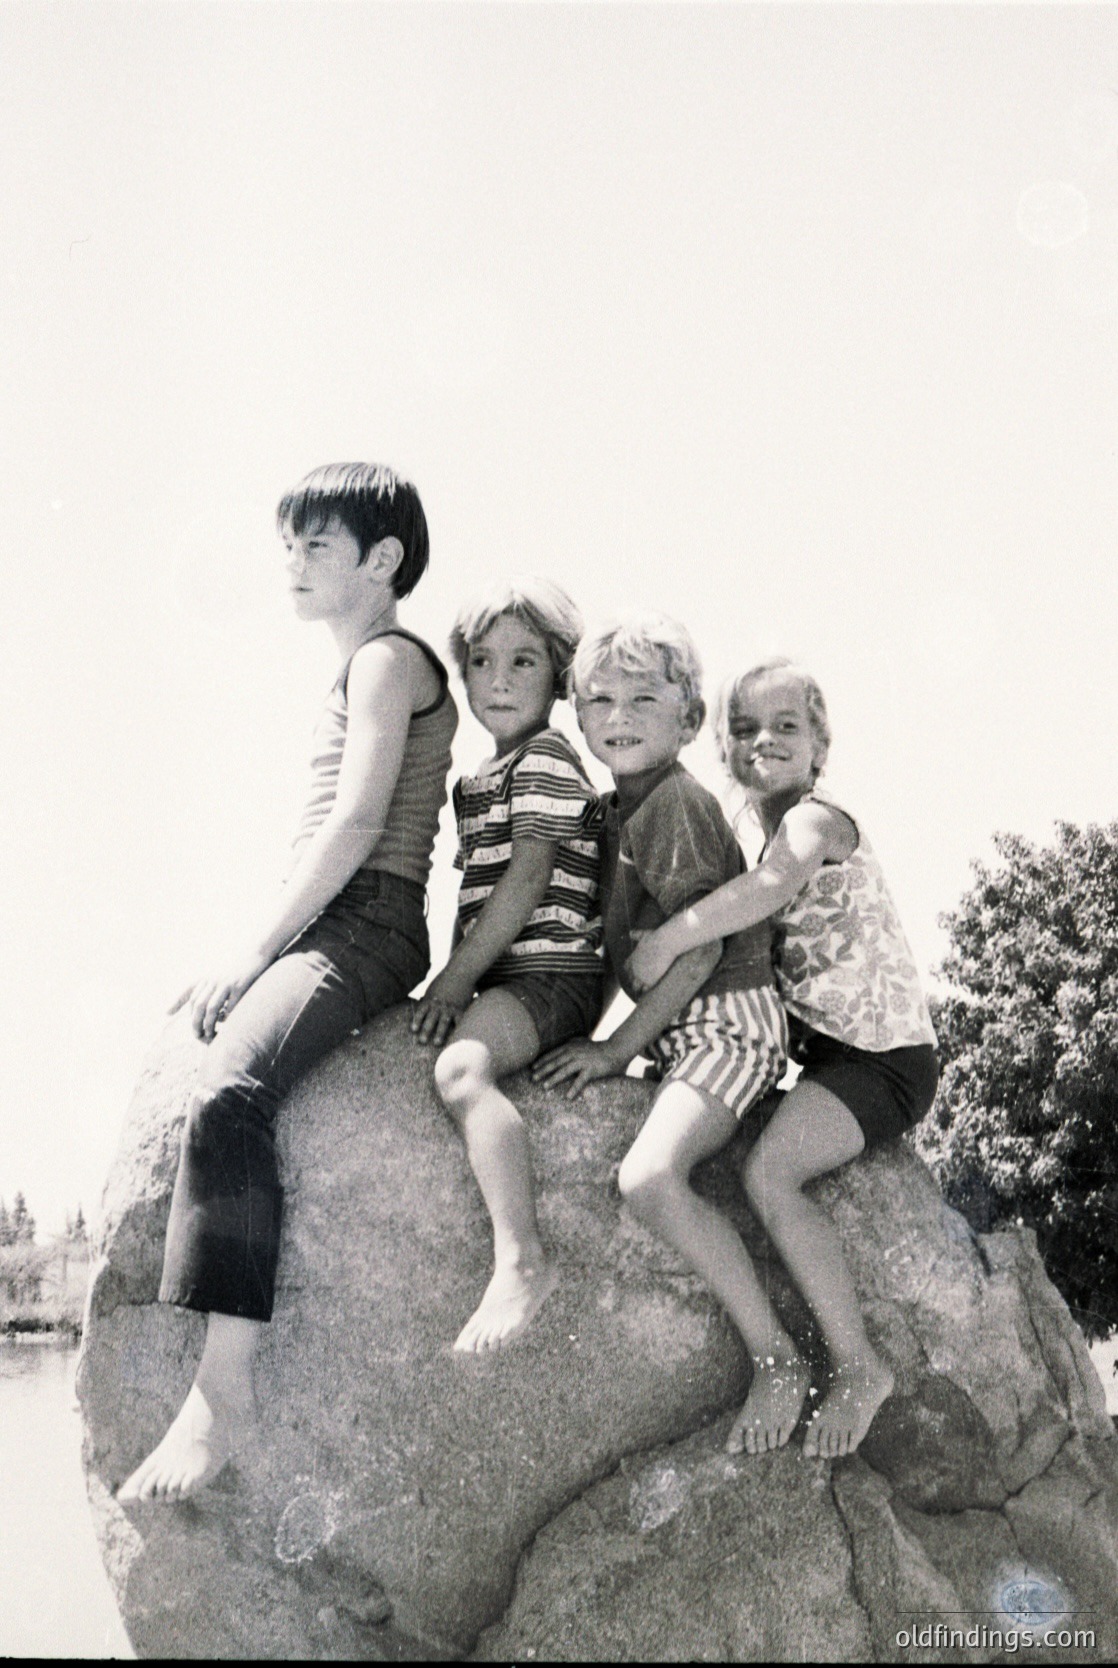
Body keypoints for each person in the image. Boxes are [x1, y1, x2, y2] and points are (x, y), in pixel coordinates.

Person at [118, 462, 457, 1503]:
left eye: (317, 545)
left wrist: (255, 953)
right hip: (338, 920)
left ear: (381, 559)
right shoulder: (360, 667)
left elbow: (357, 824)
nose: (293, 566)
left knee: (231, 1096)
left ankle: (224, 1393)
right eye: (288, 546)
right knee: (219, 1081)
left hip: (367, 922)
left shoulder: (389, 660)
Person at [626, 657, 939, 1458]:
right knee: (742, 1163)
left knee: (770, 1174)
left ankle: (856, 1365)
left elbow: (773, 887)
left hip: (885, 1061)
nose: (763, 741)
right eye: (743, 729)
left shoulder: (815, 820)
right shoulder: (751, 833)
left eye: (785, 727)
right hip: (827, 1059)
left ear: (820, 744)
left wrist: (670, 936)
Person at [533, 614, 791, 1452]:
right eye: (600, 698)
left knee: (648, 1179)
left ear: (687, 720)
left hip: (728, 1018)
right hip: (687, 1030)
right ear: (576, 715)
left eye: (645, 697)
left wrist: (612, 1049)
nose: (620, 713)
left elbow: (696, 951)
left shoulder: (674, 803)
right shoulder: (621, 810)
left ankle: (776, 1357)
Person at [412, 578, 603, 1351]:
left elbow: (527, 880)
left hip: (553, 973)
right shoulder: (484, 776)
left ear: (560, 677)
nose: (497, 679)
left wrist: (454, 981)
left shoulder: (549, 757)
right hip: (516, 973)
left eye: (523, 662)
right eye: (483, 661)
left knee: (460, 1073)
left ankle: (522, 1259)